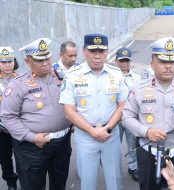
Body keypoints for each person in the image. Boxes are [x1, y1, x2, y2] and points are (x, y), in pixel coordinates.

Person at [122, 37, 174, 190]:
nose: (168, 66)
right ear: (152, 64)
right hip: (148, 154)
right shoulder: (138, 87)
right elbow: (126, 118)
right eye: (163, 62)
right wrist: (146, 131)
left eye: (172, 62)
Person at [0, 38, 72, 190]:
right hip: (33, 148)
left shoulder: (61, 78)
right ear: (27, 61)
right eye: (39, 60)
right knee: (33, 186)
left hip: (62, 143)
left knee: (59, 184)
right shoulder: (18, 84)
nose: (45, 63)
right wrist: (32, 137)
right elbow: (7, 116)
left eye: (47, 58)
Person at [59, 33, 127, 190]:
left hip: (111, 134)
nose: (97, 56)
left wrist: (107, 128)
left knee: (114, 181)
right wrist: (92, 131)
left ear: (107, 52)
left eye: (101, 51)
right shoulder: (71, 76)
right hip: (86, 136)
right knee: (88, 182)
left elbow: (122, 106)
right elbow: (69, 111)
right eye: (92, 51)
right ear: (84, 51)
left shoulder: (117, 75)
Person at [115, 47, 141, 181]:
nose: (124, 63)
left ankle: (133, 167)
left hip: (130, 117)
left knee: (132, 144)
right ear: (116, 61)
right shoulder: (111, 76)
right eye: (121, 60)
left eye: (127, 60)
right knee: (113, 144)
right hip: (114, 118)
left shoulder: (137, 78)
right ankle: (113, 168)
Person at [0, 47, 18, 190]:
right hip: (1, 130)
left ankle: (25, 179)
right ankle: (11, 182)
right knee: (5, 159)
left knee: (23, 157)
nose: (7, 65)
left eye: (10, 61)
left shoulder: (22, 78)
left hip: (20, 127)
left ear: (14, 61)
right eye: (3, 62)